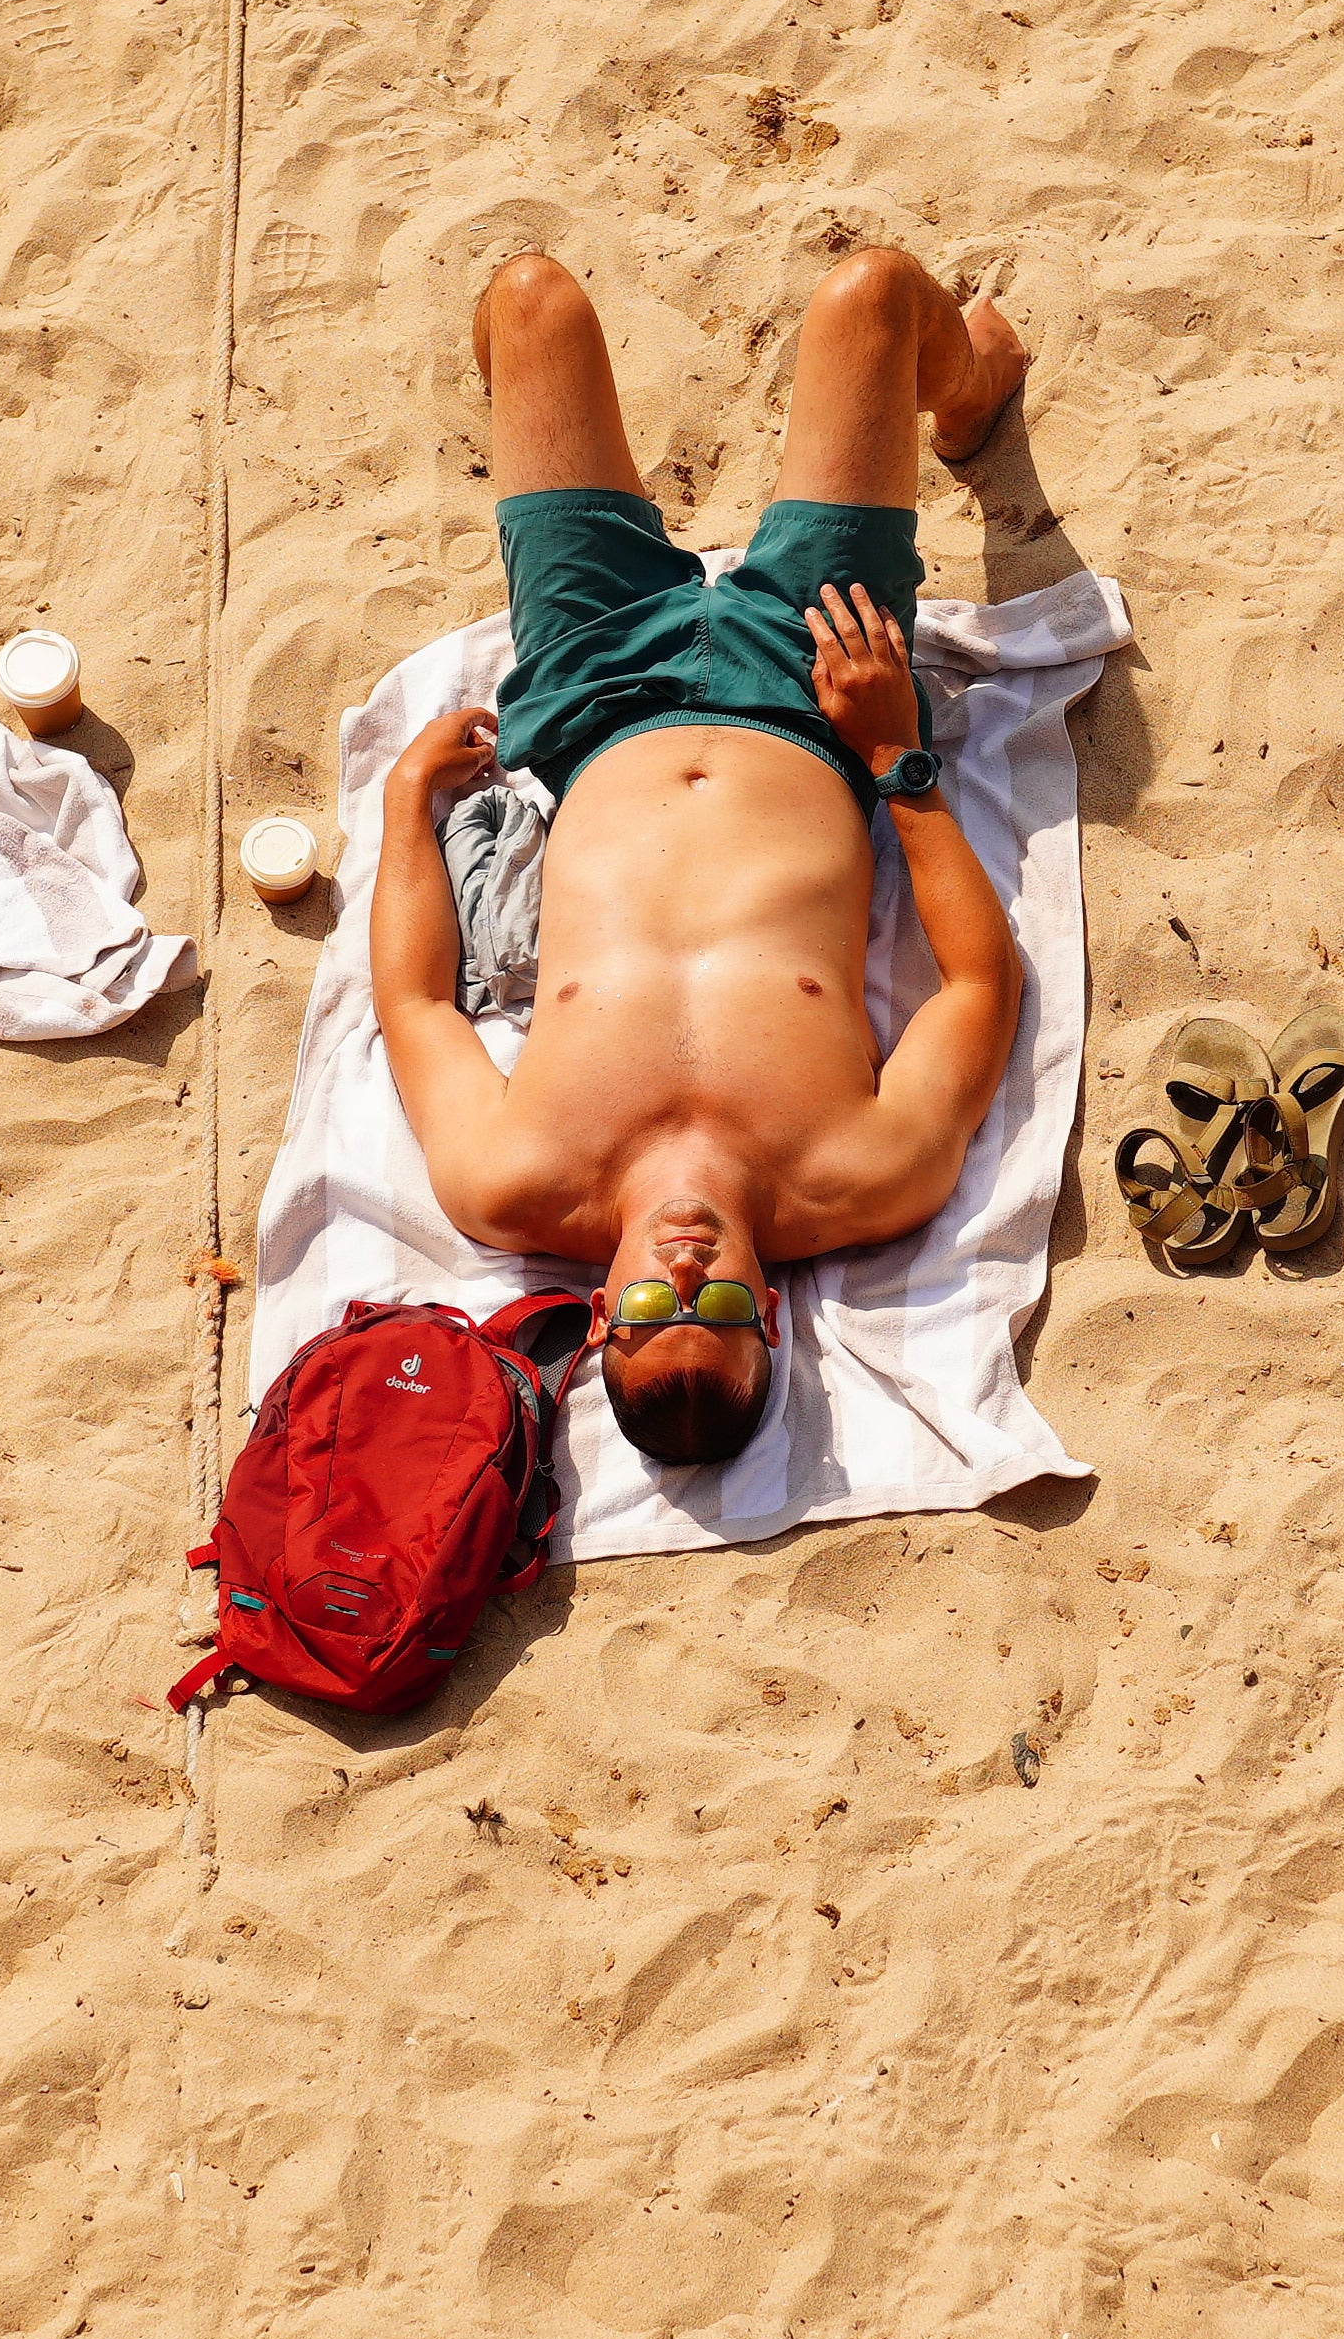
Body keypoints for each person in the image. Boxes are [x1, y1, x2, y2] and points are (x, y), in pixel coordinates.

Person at [368, 245, 1033, 1468]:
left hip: (591, 695)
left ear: (600, 1320)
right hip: (813, 691)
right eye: (717, 1314)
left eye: (645, 1316)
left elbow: (412, 1000)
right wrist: (895, 756)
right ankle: (974, 382)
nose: (685, 1276)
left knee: (529, 300)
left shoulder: (510, 1180)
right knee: (873, 295)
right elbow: (983, 985)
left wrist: (409, 809)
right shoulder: (863, 1172)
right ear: (770, 1317)